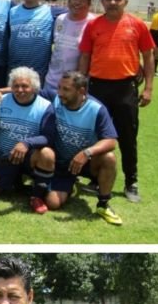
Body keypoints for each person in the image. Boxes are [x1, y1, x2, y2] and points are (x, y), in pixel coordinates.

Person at [79, 0, 156, 204]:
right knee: (96, 136)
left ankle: (131, 181)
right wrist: (81, 85)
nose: (113, 3)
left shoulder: (137, 25)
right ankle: (95, 178)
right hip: (97, 87)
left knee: (127, 136)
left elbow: (148, 57)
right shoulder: (94, 25)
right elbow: (85, 56)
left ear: (125, 2)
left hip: (125, 88)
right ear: (102, 1)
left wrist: (149, 88)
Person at [44, 71, 122, 225]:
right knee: (52, 203)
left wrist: (86, 153)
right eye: (59, 88)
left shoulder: (97, 109)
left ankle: (103, 204)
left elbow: (111, 141)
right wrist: (1, 92)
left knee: (109, 158)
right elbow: (28, 90)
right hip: (61, 164)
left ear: (81, 91)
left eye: (66, 90)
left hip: (85, 163)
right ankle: (69, 186)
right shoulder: (55, 98)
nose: (60, 93)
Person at [0, 67, 55, 214]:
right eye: (16, 86)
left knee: (47, 154)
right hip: (4, 158)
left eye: (25, 86)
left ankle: (36, 196)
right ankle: (15, 182)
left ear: (34, 88)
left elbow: (49, 137)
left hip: (29, 159)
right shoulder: (0, 101)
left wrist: (26, 143)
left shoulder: (45, 106)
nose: (20, 90)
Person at [7, 0, 64, 85]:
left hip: (39, 72)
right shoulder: (12, 12)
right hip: (14, 69)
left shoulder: (51, 12)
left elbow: (76, 13)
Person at [42, 0, 96, 100]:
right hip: (51, 80)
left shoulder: (93, 23)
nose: (77, 3)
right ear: (69, 1)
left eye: (82, 0)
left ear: (89, 4)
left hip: (74, 84)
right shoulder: (60, 19)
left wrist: (81, 81)